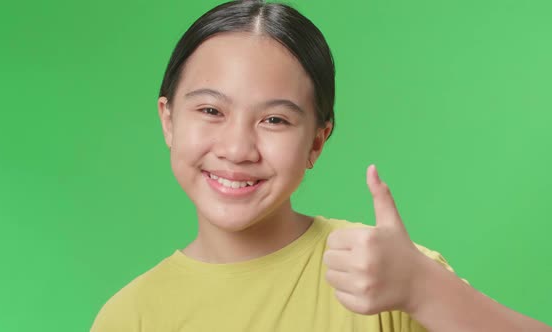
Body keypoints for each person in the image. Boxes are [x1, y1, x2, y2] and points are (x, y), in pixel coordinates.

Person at [90, 1, 552, 331]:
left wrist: (422, 290)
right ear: (168, 120)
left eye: (274, 119)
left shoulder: (385, 275)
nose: (237, 148)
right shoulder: (130, 317)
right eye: (211, 110)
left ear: (316, 141)